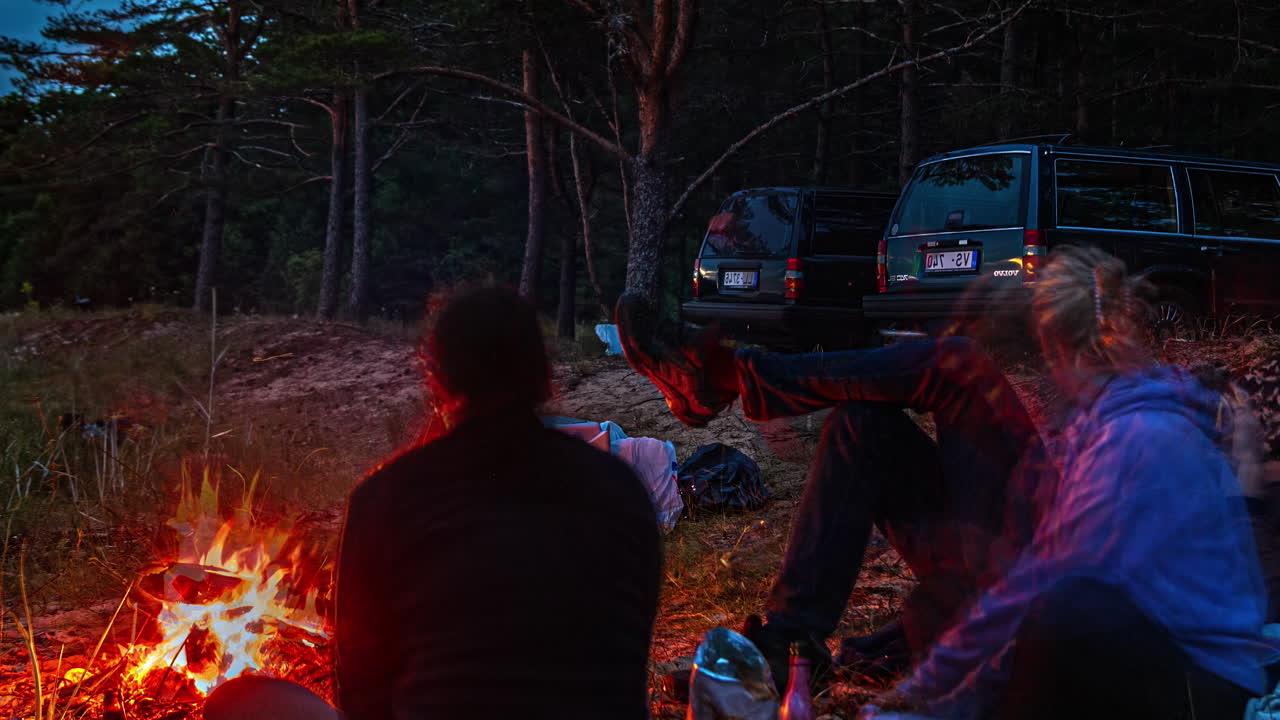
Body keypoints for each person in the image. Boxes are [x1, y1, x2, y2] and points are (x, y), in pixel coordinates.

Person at [616, 246, 1279, 719]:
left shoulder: (1160, 439)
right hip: (1030, 558)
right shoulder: (1154, 411)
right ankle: (790, 645)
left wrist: (906, 684)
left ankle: (730, 377)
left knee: (957, 367)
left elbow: (1052, 590)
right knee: (864, 424)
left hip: (1063, 609)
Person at [332, 284, 663, 719]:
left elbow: (359, 690)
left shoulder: (385, 499)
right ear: (544, 375)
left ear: (437, 376)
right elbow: (630, 656)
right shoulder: (619, 488)